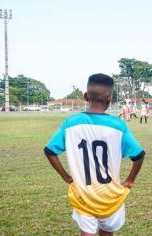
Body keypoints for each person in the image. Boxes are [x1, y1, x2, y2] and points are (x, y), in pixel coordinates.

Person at [44, 73, 145, 236]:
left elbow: (49, 151)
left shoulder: (71, 123)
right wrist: (130, 180)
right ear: (109, 98)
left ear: (86, 96)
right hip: (110, 195)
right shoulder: (118, 126)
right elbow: (139, 155)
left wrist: (66, 177)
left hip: (83, 194)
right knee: (107, 232)